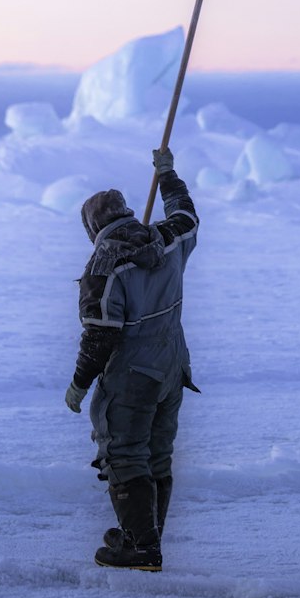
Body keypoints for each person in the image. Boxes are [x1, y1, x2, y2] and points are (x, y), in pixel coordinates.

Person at [64, 146, 199, 571]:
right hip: (172, 366)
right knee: (158, 453)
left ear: (93, 230)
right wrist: (168, 177)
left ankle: (141, 549)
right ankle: (144, 533)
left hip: (133, 376)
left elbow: (100, 337)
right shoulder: (168, 238)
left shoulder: (102, 269)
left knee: (123, 454)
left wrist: (79, 384)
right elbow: (188, 216)